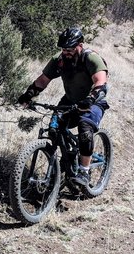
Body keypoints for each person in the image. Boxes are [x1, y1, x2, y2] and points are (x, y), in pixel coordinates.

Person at [16, 27, 109, 187]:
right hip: (69, 100)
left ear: (80, 45)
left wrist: (90, 99)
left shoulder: (91, 58)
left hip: (93, 102)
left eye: (70, 49)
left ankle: (84, 171)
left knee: (85, 129)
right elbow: (43, 80)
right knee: (54, 129)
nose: (66, 52)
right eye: (64, 49)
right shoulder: (59, 60)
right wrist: (29, 94)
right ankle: (62, 167)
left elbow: (100, 81)